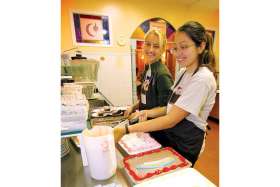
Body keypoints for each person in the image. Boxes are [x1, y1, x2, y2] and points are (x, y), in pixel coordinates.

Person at [114, 21, 217, 166]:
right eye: (176, 48)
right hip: (172, 135)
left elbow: (171, 119)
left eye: (184, 47)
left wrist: (126, 129)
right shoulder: (183, 72)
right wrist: (147, 113)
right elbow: (170, 107)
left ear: (201, 46)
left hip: (187, 142)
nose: (178, 53)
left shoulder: (202, 79)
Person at [124, 29, 173, 120]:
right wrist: (133, 107)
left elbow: (167, 108)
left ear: (162, 50)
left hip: (157, 129)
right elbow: (145, 99)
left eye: (156, 46)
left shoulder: (162, 74)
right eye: (148, 44)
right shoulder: (148, 70)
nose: (150, 49)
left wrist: (144, 113)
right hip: (145, 122)